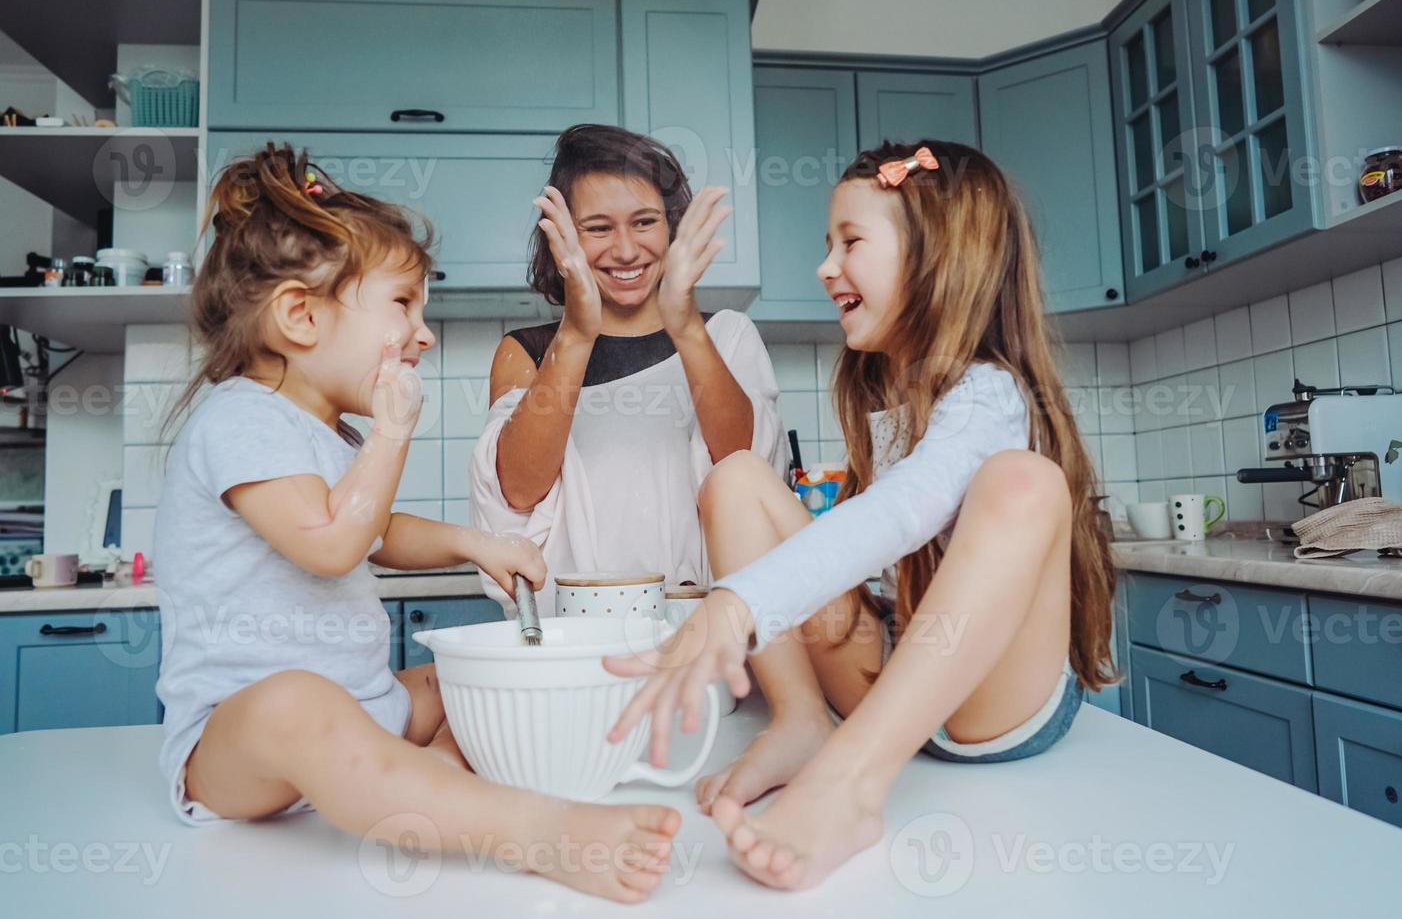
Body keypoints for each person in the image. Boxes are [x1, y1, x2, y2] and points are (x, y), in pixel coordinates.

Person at [154, 144, 680, 904]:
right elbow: (335, 545)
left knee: (474, 682)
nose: (423, 334)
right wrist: (396, 434)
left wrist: (476, 543)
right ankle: (533, 830)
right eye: (403, 304)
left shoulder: (330, 434)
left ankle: (424, 788)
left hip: (364, 705)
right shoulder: (241, 418)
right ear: (301, 316)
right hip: (242, 743)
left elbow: (374, 529)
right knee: (297, 702)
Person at [604, 141, 1118, 891]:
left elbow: (906, 510)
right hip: (898, 671)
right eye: (827, 244)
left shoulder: (989, 394)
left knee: (1023, 483)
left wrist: (737, 604)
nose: (824, 266)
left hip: (994, 707)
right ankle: (801, 720)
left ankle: (847, 788)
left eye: (850, 242)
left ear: (936, 259)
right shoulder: (889, 396)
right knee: (738, 476)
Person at [472, 124, 784, 612]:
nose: (624, 250)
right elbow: (517, 490)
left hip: (706, 630)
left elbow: (745, 468)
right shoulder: (526, 353)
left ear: (672, 227)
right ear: (560, 236)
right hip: (574, 640)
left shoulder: (726, 335)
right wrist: (576, 332)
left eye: (644, 222)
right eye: (598, 228)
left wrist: (684, 323)